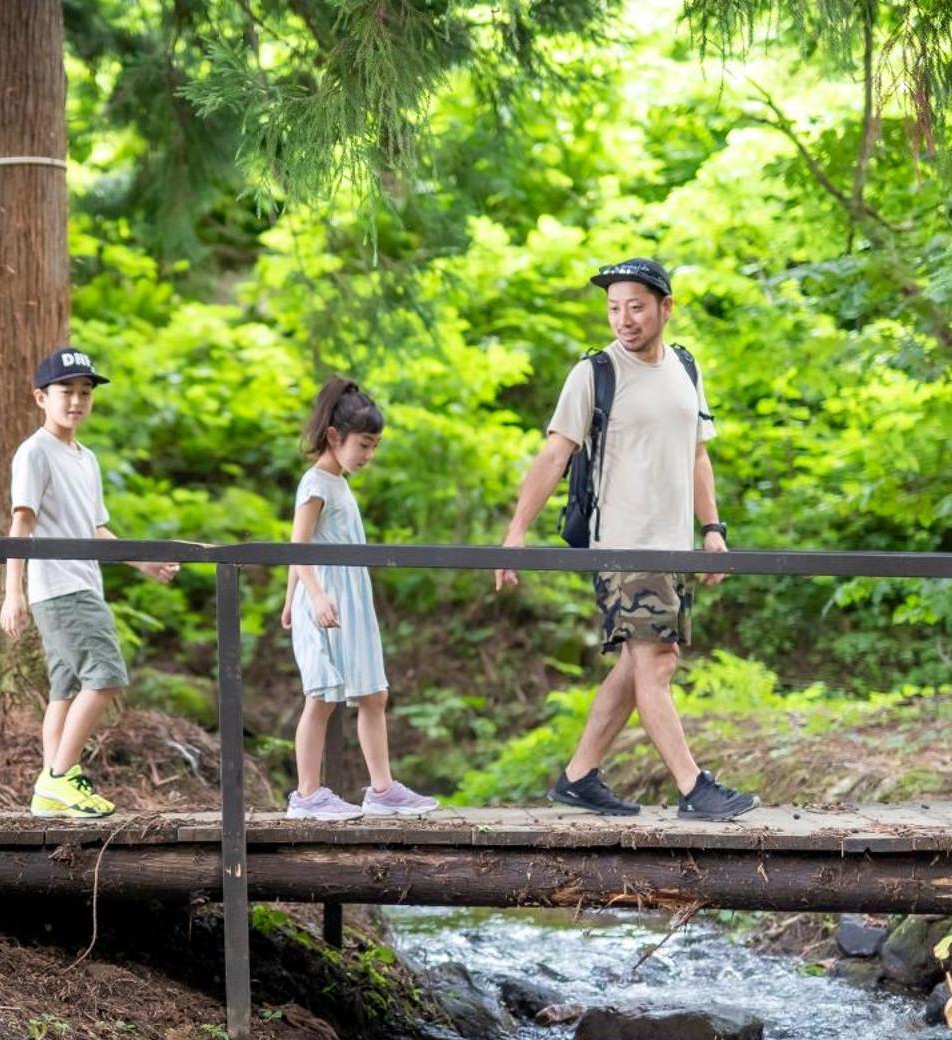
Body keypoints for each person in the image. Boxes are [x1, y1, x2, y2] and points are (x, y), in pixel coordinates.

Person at [495, 258, 758, 821]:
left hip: (673, 547)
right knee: (657, 661)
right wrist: (515, 533)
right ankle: (694, 789)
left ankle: (578, 776)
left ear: (665, 306)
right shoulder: (593, 373)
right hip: (621, 543)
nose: (624, 319)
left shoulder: (686, 367)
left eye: (635, 306)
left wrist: (712, 531)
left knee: (638, 665)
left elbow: (697, 455)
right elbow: (554, 454)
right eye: (614, 308)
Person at [0, 347, 178, 818]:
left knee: (64, 689)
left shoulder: (86, 458)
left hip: (83, 582)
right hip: (59, 587)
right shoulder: (34, 452)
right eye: (66, 392)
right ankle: (61, 776)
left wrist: (142, 562)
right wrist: (12, 591)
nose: (76, 401)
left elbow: (95, 528)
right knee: (105, 677)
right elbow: (22, 523)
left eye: (85, 393)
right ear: (41, 398)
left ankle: (48, 790)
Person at [280, 379, 440, 821]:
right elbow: (298, 545)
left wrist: (290, 599)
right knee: (322, 695)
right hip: (328, 600)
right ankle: (307, 795)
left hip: (350, 599)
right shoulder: (315, 483)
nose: (369, 455)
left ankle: (382, 789)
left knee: (374, 693)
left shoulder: (339, 483)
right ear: (335, 436)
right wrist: (307, 597)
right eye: (364, 445)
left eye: (375, 446)